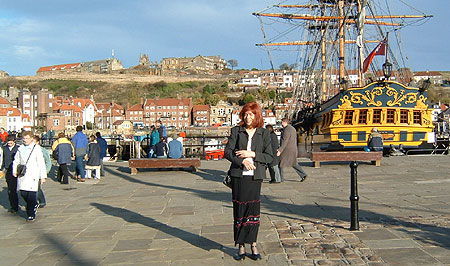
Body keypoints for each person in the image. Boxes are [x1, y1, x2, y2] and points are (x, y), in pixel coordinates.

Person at [224, 102, 273, 261]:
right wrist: (242, 161)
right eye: (245, 114)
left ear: (257, 115)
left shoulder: (264, 133)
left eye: (251, 114)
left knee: (253, 211)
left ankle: (253, 243)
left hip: (255, 177)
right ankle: (241, 245)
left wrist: (251, 154)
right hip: (239, 177)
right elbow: (228, 152)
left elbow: (269, 157)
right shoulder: (236, 131)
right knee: (239, 211)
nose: (247, 117)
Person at [12, 131, 47, 222]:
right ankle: (33, 204)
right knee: (23, 193)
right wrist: (14, 170)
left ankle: (31, 214)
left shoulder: (36, 148)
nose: (25, 140)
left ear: (32, 138)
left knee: (31, 194)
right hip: (23, 174)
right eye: (24, 138)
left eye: (27, 138)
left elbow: (41, 162)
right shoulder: (21, 148)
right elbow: (16, 160)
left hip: (33, 174)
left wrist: (42, 176)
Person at [277, 118, 307, 182]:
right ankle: (303, 175)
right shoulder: (292, 128)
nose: (281, 123)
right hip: (293, 148)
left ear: (285, 122)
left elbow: (285, 141)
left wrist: (280, 150)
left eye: (282, 122)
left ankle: (280, 178)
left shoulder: (287, 130)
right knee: (294, 163)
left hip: (287, 149)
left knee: (280, 163)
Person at [1, 135, 19, 213]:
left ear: (14, 141)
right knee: (11, 189)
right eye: (8, 142)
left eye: (11, 142)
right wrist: (1, 169)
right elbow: (2, 159)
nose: (9, 143)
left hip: (16, 170)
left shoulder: (18, 148)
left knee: (17, 189)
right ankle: (13, 206)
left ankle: (17, 205)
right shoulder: (4, 149)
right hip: (8, 170)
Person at [33, 135, 51, 208]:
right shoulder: (27, 149)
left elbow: (48, 161)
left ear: (37, 142)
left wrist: (46, 171)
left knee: (36, 188)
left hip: (39, 172)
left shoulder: (42, 150)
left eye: (33, 142)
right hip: (31, 172)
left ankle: (41, 201)